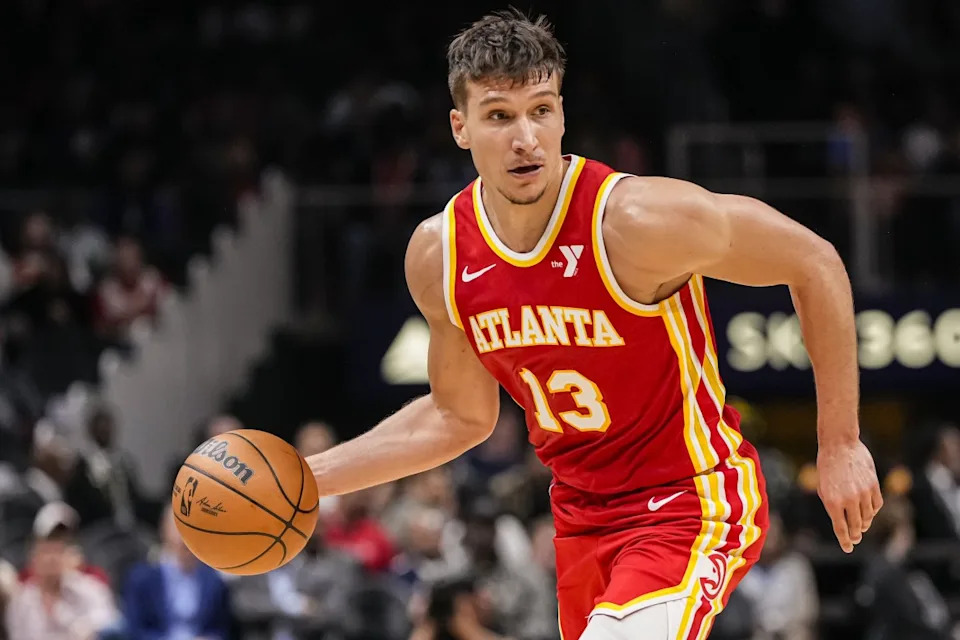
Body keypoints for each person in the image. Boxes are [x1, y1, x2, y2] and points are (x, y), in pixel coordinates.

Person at [306, 9, 883, 640]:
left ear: (561, 114)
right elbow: (458, 417)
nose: (525, 136)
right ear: (460, 128)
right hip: (580, 521)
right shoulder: (439, 256)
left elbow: (814, 261)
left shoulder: (636, 221)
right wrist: (308, 481)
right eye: (499, 115)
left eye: (542, 109)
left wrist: (840, 443)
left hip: (688, 502)